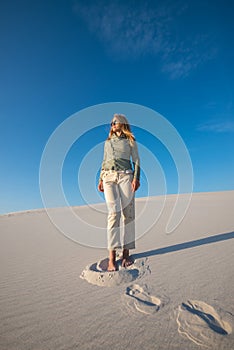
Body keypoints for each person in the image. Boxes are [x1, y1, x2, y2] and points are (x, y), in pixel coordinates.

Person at [98, 114, 140, 271]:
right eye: (111, 123)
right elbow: (104, 161)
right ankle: (111, 257)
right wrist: (100, 179)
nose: (112, 124)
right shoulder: (107, 143)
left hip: (126, 176)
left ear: (122, 123)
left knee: (127, 214)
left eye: (114, 122)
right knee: (113, 214)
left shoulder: (130, 141)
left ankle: (126, 252)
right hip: (108, 177)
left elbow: (136, 161)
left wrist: (136, 178)